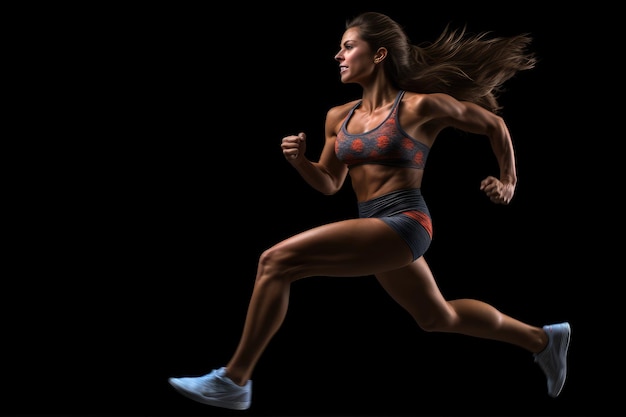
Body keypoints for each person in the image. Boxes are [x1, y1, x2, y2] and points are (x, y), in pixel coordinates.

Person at [168, 11, 571, 411]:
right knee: (437, 317)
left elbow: (494, 126)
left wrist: (509, 181)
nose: (338, 55)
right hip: (373, 225)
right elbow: (330, 181)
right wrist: (301, 162)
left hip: (405, 222)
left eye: (347, 46)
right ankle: (542, 340)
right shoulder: (338, 117)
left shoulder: (419, 107)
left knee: (276, 261)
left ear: (378, 54)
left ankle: (235, 380)